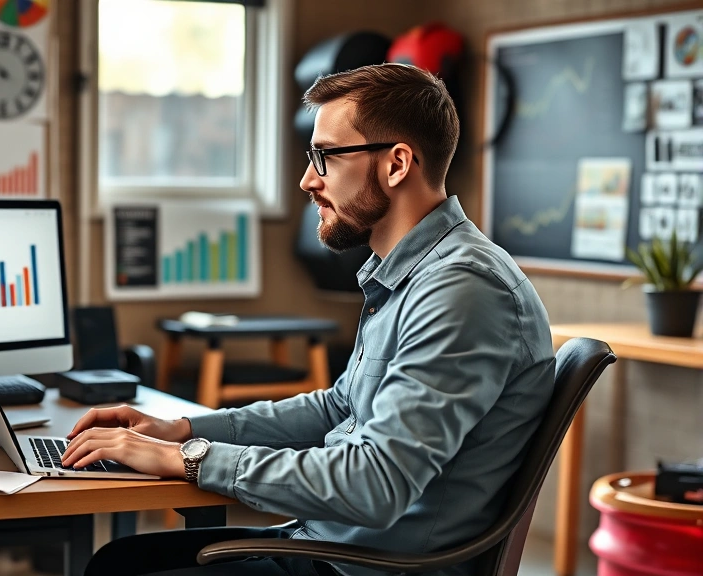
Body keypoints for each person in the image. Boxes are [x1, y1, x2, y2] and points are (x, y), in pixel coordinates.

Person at [63, 63, 556, 576]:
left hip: (367, 566)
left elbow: (375, 483)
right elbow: (339, 407)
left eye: (326, 156)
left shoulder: (462, 290)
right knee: (118, 562)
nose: (307, 179)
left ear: (397, 164)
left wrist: (190, 457)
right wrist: (178, 428)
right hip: (329, 542)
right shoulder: (410, 273)